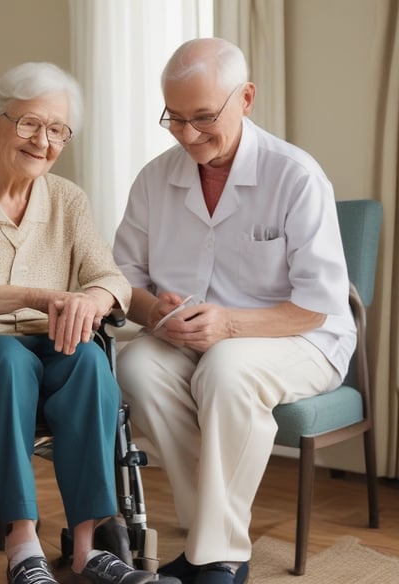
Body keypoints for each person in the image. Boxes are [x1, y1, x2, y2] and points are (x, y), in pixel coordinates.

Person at [0, 62, 176, 584]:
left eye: (56, 130)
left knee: (90, 360)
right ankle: (23, 544)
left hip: (51, 345)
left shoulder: (68, 200)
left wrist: (91, 298)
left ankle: (91, 548)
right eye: (28, 123)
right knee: (8, 360)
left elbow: (109, 278)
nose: (41, 140)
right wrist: (32, 296)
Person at [112, 37, 355, 584]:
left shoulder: (295, 175)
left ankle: (215, 556)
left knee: (228, 369)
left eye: (203, 117)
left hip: (299, 338)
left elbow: (318, 305)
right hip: (189, 338)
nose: (188, 135)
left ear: (245, 98)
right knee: (136, 367)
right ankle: (213, 544)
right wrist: (154, 311)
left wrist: (229, 325)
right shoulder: (155, 179)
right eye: (174, 119)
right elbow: (122, 279)